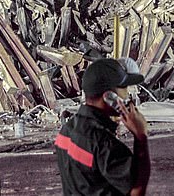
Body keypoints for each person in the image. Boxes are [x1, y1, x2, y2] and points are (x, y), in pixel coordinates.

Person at [55, 58, 151, 195]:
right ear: (109, 97)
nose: (128, 94)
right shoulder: (104, 144)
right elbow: (137, 191)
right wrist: (140, 136)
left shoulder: (66, 130)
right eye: (124, 88)